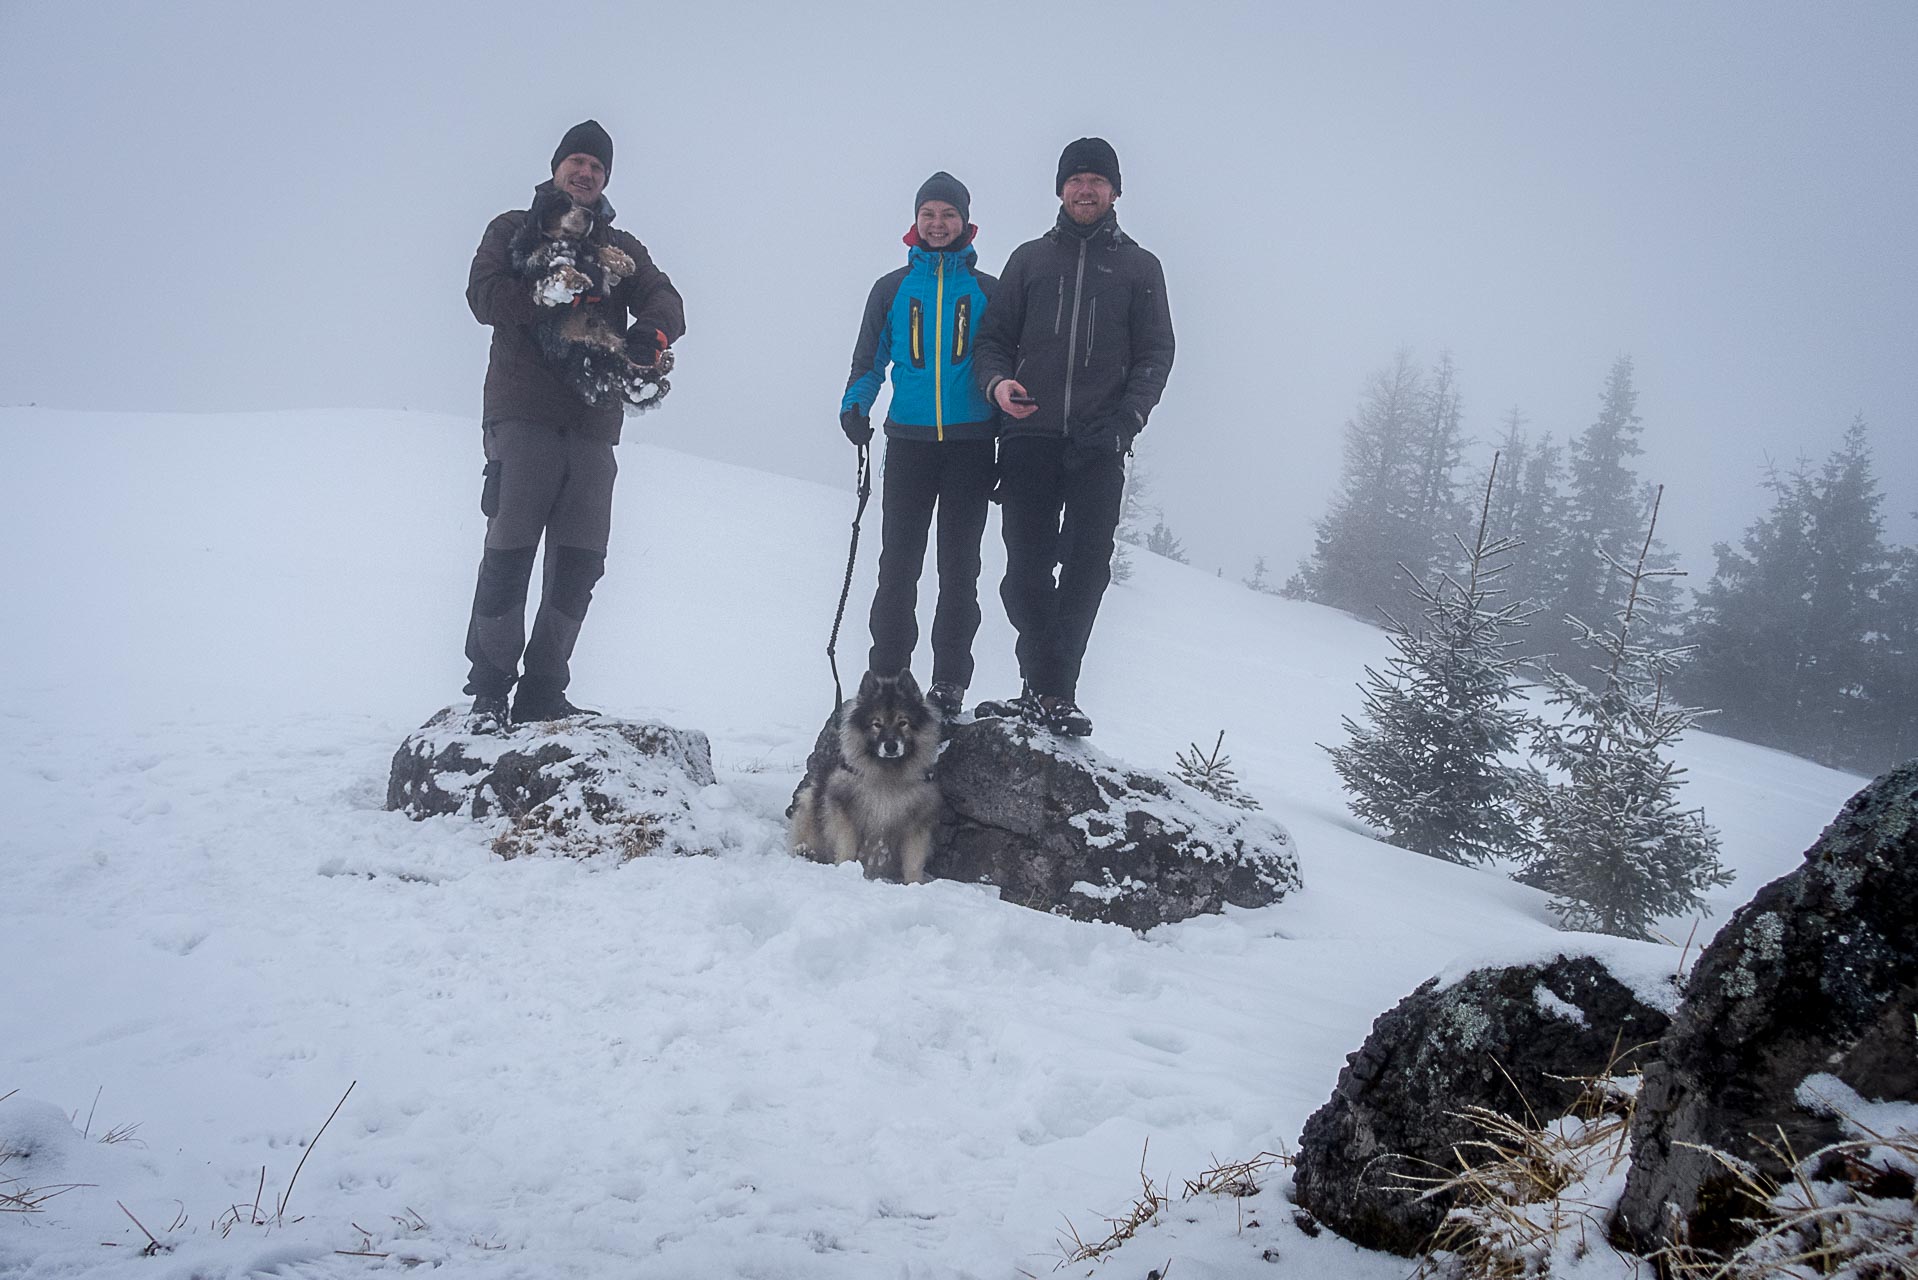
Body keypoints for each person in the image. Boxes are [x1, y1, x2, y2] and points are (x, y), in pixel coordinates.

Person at [460, 120, 685, 732]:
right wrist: (544, 295)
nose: (585, 173)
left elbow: (667, 298)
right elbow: (483, 295)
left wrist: (650, 332)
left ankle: (543, 690)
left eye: (596, 167)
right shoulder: (513, 228)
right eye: (576, 162)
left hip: (593, 424)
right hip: (523, 413)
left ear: (606, 178)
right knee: (509, 550)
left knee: (580, 560)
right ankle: (489, 689)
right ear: (557, 167)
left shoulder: (621, 245)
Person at [972, 137, 1174, 736]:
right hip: (1028, 437)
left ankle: (1052, 693)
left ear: (1115, 191)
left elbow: (1156, 353)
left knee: (1087, 568)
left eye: (1097, 181)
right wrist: (999, 386)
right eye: (1076, 180)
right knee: (1025, 573)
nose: (1086, 191)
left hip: (1100, 443)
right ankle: (1045, 689)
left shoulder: (1141, 268)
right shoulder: (1030, 260)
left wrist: (1127, 419)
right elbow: (991, 341)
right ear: (1060, 189)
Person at [840, 172, 998, 715]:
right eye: (928, 214)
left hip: (972, 445)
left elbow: (1004, 364)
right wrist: (855, 404)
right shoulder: (890, 289)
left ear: (965, 222)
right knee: (898, 564)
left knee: (960, 566)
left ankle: (950, 680)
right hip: (907, 442)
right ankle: (888, 674)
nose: (937, 224)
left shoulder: (988, 291)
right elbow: (870, 360)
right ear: (915, 221)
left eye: (947, 215)